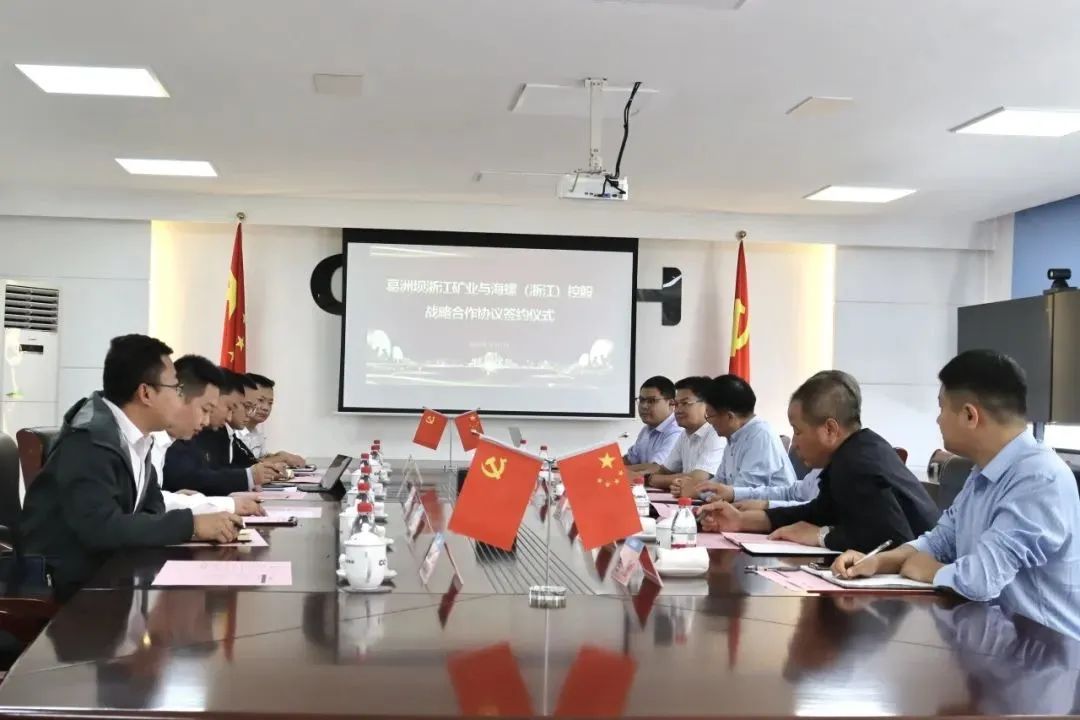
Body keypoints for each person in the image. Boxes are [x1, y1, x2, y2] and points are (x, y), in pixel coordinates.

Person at [832, 350, 1080, 640]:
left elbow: (982, 579)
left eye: (941, 408)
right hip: (994, 639)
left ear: (970, 415)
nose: (938, 420)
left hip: (1047, 655)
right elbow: (941, 540)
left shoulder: (1039, 478)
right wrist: (878, 562)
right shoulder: (983, 470)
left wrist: (931, 571)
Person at [19, 334, 243, 596]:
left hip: (109, 576)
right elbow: (101, 529)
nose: (180, 398)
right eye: (176, 389)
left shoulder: (136, 437)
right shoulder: (91, 440)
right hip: (65, 590)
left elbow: (153, 506)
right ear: (145, 393)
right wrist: (191, 525)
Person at [699, 370, 938, 551]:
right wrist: (741, 521)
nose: (795, 443)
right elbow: (818, 512)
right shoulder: (850, 454)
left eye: (798, 431)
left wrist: (821, 536)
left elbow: (895, 541)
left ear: (830, 430)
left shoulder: (858, 464)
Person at [150, 355, 265, 517]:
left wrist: (187, 500)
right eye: (205, 410)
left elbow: (154, 501)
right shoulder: (143, 440)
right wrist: (226, 504)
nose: (205, 421)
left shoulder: (163, 440)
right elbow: (145, 508)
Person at [163, 369, 283, 495]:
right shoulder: (190, 435)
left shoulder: (217, 432)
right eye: (205, 409)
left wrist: (259, 473)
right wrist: (247, 478)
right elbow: (192, 479)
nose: (205, 421)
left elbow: (237, 466)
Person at [692, 374, 796, 500]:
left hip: (773, 510)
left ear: (729, 417)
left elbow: (742, 491)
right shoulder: (734, 436)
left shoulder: (760, 436)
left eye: (710, 416)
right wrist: (697, 489)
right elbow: (720, 480)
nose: (709, 422)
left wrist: (697, 493)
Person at [629, 376, 726, 492]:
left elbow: (697, 479)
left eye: (685, 403)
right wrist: (645, 477)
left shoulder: (716, 433)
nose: (678, 410)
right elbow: (664, 470)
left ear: (708, 405)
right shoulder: (685, 434)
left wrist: (649, 479)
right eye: (676, 404)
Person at [238, 372, 305, 467]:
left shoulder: (255, 431)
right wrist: (283, 457)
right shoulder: (234, 432)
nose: (266, 408)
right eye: (260, 400)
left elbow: (262, 458)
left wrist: (281, 455)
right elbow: (246, 465)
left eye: (270, 403)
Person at [623, 376, 681, 469]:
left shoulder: (676, 431)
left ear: (671, 403)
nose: (644, 406)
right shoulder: (646, 430)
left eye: (651, 401)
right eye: (641, 400)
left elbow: (655, 468)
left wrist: (618, 471)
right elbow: (630, 460)